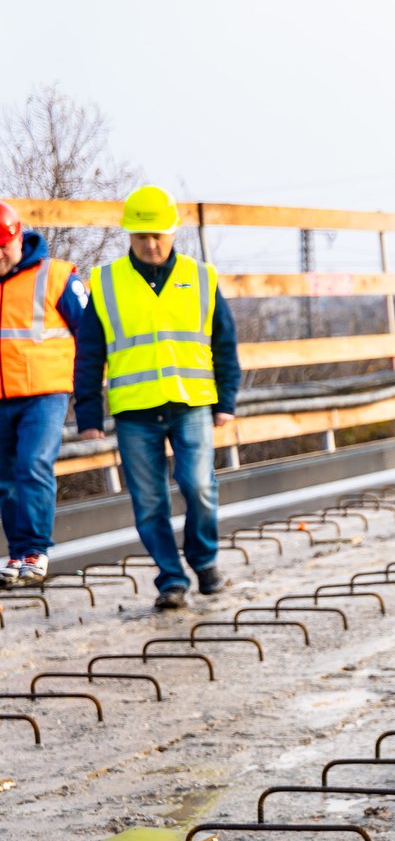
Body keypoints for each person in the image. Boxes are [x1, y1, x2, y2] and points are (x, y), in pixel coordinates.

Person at [74, 186, 242, 612]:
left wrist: (227, 399)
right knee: (149, 502)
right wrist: (89, 414)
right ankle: (171, 581)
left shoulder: (201, 276)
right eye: (141, 236)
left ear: (172, 232)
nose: (151, 245)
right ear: (129, 235)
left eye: (158, 236)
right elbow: (90, 353)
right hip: (135, 411)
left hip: (191, 403)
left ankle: (204, 565)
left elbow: (224, 341)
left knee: (199, 485)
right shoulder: (106, 281)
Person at [0, 202, 91, 590]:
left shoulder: (56, 276)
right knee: (6, 478)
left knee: (34, 463)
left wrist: (90, 397)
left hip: (45, 392)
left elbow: (89, 334)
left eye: (2, 246)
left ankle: (36, 550)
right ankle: (18, 553)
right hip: (3, 395)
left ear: (18, 238)